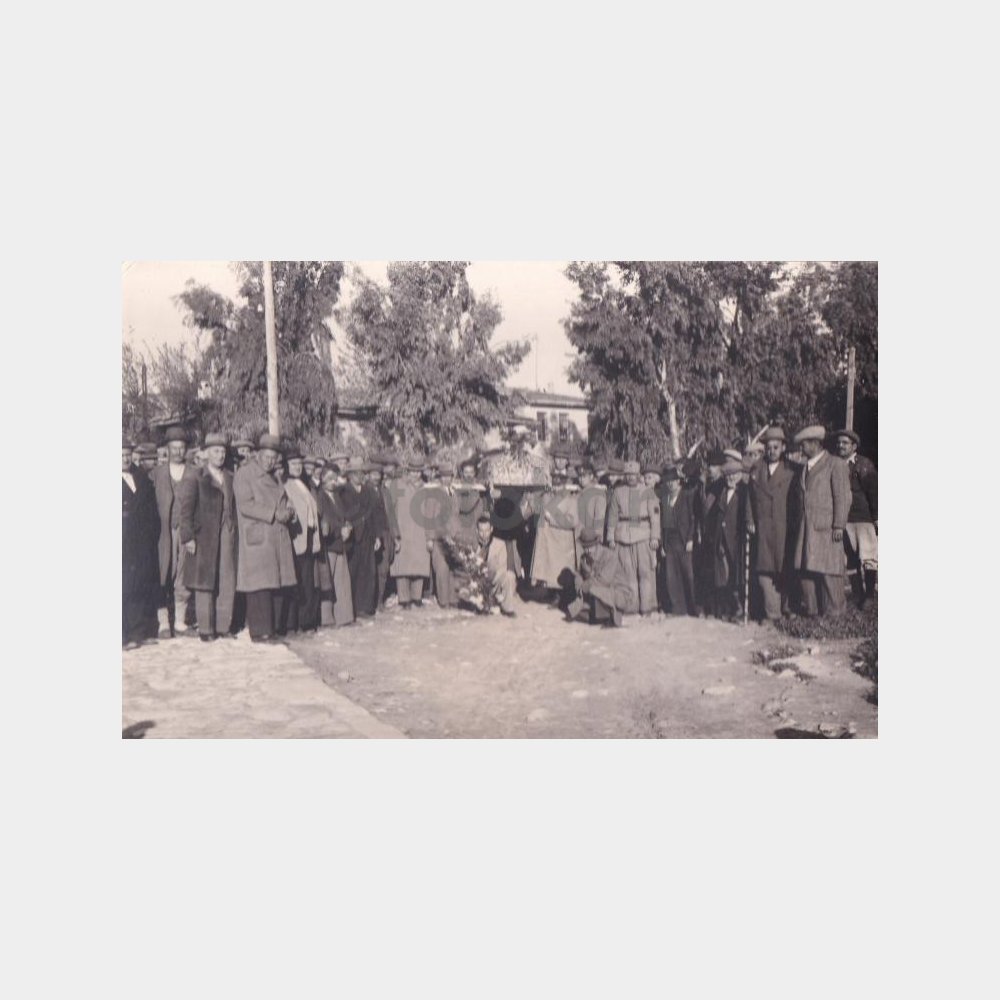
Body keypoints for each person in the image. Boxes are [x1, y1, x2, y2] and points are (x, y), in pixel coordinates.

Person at [233, 433, 298, 641]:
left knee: (275, 585)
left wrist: (289, 510)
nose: (270, 461)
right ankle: (261, 632)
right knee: (259, 587)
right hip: (259, 538)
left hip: (276, 537)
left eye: (273, 458)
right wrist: (273, 513)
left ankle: (273, 629)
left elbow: (283, 500)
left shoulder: (274, 476)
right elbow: (245, 505)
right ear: (258, 454)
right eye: (267, 457)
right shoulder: (245, 474)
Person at [178, 432, 237, 641]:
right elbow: (185, 510)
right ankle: (205, 629)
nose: (220, 455)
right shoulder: (196, 476)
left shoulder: (230, 477)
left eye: (223, 451)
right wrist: (188, 537)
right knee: (204, 581)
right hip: (204, 536)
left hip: (227, 534)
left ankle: (223, 626)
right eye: (216, 451)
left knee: (226, 579)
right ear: (207, 453)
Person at [790, 425, 851, 617]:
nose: (801, 448)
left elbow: (843, 497)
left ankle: (834, 612)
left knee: (829, 570)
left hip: (827, 528)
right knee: (807, 568)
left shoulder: (835, 464)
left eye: (804, 444)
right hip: (806, 527)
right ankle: (812, 611)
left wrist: (839, 525)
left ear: (815, 444)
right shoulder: (804, 467)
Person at [150, 425, 199, 637]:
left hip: (186, 532)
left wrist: (192, 533)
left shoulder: (195, 473)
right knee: (162, 573)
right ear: (167, 449)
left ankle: (180, 621)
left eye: (182, 448)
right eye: (174, 447)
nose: (178, 452)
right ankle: (163, 623)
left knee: (183, 573)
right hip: (163, 533)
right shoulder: (156, 474)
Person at [746, 427, 796, 621]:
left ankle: (787, 607)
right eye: (768, 447)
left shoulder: (792, 470)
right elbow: (749, 499)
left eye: (776, 447)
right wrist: (750, 519)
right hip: (762, 529)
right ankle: (772, 613)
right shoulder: (756, 470)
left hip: (784, 528)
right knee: (764, 571)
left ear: (783, 447)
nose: (772, 451)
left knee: (784, 569)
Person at [606, 460, 659, 615]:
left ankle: (647, 606)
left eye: (633, 475)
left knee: (645, 572)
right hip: (623, 537)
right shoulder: (618, 492)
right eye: (628, 475)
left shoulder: (648, 492)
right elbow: (612, 516)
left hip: (643, 535)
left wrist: (655, 537)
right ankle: (631, 606)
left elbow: (655, 516)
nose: (630, 477)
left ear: (638, 475)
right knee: (627, 573)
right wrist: (610, 537)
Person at [522, 466, 579, 606]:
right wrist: (529, 502)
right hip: (546, 539)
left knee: (559, 570)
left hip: (561, 541)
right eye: (555, 481)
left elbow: (572, 521)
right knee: (549, 569)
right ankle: (551, 594)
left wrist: (552, 518)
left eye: (560, 481)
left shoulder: (571, 499)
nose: (557, 484)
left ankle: (562, 598)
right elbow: (534, 510)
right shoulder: (546, 496)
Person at [122, 438, 160, 648]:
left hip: (141, 542)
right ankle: (123, 635)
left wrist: (151, 534)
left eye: (127, 454)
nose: (125, 459)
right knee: (123, 587)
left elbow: (151, 510)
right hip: (122, 542)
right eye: (120, 456)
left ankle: (139, 632)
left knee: (139, 585)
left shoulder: (141, 478)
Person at [835, 429, 878, 608]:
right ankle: (857, 593)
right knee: (850, 559)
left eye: (845, 443)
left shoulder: (864, 464)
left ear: (854, 446)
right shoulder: (835, 464)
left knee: (868, 557)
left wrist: (877, 517)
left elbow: (874, 492)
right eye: (839, 442)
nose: (841, 446)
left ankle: (869, 595)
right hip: (844, 519)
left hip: (863, 518)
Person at [339, 456, 386, 617]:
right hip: (352, 538)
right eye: (356, 473)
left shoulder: (369, 491)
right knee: (353, 571)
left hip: (368, 537)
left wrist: (378, 536)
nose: (360, 476)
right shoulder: (343, 491)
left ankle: (365, 607)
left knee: (368, 572)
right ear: (350, 475)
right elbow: (344, 513)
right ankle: (353, 607)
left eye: (362, 473)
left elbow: (375, 515)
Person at [703, 458, 748, 621]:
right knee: (722, 575)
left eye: (734, 474)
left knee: (737, 575)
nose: (731, 478)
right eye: (728, 475)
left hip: (736, 539)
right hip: (720, 539)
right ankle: (726, 608)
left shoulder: (744, 492)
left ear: (740, 474)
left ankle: (740, 609)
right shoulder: (721, 492)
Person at [284, 447, 322, 633]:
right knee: (296, 581)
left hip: (308, 538)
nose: (297, 467)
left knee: (307, 581)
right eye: (293, 464)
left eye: (299, 464)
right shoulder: (285, 485)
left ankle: (306, 621)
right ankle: (293, 623)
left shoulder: (303, 484)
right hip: (295, 539)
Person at [387, 460, 431, 609]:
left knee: (419, 565)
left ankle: (417, 597)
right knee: (402, 567)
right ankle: (404, 598)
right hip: (403, 529)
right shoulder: (398, 485)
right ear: (407, 471)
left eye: (418, 472)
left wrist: (429, 536)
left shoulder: (426, 488)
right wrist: (394, 533)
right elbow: (390, 508)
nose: (415, 474)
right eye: (413, 471)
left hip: (420, 531)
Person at [565, 527, 630, 627]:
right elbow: (579, 575)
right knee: (575, 610)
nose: (587, 550)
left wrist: (585, 586)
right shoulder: (584, 558)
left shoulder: (610, 556)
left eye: (590, 546)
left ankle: (605, 615)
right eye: (584, 547)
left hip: (618, 592)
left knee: (593, 591)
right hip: (597, 590)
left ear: (597, 544)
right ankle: (596, 614)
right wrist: (579, 584)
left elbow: (604, 581)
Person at [317, 463, 354, 626]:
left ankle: (344, 617)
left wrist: (348, 526)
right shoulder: (320, 496)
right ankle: (326, 619)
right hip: (328, 544)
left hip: (340, 543)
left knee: (342, 581)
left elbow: (344, 517)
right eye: (330, 478)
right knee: (327, 581)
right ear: (322, 478)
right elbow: (324, 521)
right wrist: (340, 531)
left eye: (335, 478)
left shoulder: (337, 496)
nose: (333, 482)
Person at [659, 466, 698, 616]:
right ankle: (677, 608)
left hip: (684, 541)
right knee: (671, 577)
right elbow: (662, 524)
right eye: (667, 482)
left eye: (673, 481)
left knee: (688, 575)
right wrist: (662, 545)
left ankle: (692, 608)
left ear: (678, 481)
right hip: (670, 542)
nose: (670, 484)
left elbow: (693, 519)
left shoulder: (687, 496)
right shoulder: (665, 499)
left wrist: (690, 539)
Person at [423, 461, 458, 608]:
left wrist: (456, 534)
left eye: (449, 476)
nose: (446, 479)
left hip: (453, 538)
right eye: (443, 476)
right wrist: (429, 538)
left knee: (452, 569)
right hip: (439, 538)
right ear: (439, 478)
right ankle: (443, 601)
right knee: (441, 569)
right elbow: (429, 517)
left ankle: (453, 599)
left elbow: (456, 516)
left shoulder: (454, 494)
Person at [475, 515, 519, 617]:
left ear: (491, 529)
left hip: (494, 581)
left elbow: (502, 569)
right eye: (481, 531)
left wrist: (489, 579)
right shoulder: (472, 545)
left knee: (509, 576)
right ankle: (481, 603)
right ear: (477, 531)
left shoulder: (500, 544)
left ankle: (507, 608)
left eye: (487, 530)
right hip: (477, 583)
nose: (484, 534)